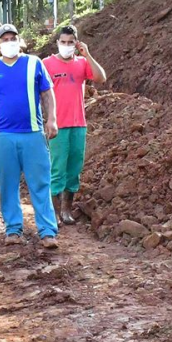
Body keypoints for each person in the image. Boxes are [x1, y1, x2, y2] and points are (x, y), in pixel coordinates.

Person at [0, 24, 59, 249]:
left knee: (40, 184)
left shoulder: (34, 63)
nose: (9, 42)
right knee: (7, 185)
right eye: (5, 39)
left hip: (33, 134)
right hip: (4, 137)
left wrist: (52, 119)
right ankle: (13, 229)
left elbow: (47, 92)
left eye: (13, 38)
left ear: (19, 40)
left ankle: (47, 231)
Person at [43, 25, 107, 225]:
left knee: (74, 169)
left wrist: (87, 54)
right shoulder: (47, 64)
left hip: (79, 123)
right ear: (57, 43)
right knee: (57, 169)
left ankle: (66, 210)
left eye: (71, 42)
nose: (67, 46)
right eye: (63, 42)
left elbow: (101, 77)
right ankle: (52, 214)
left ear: (76, 43)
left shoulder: (81, 63)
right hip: (57, 125)